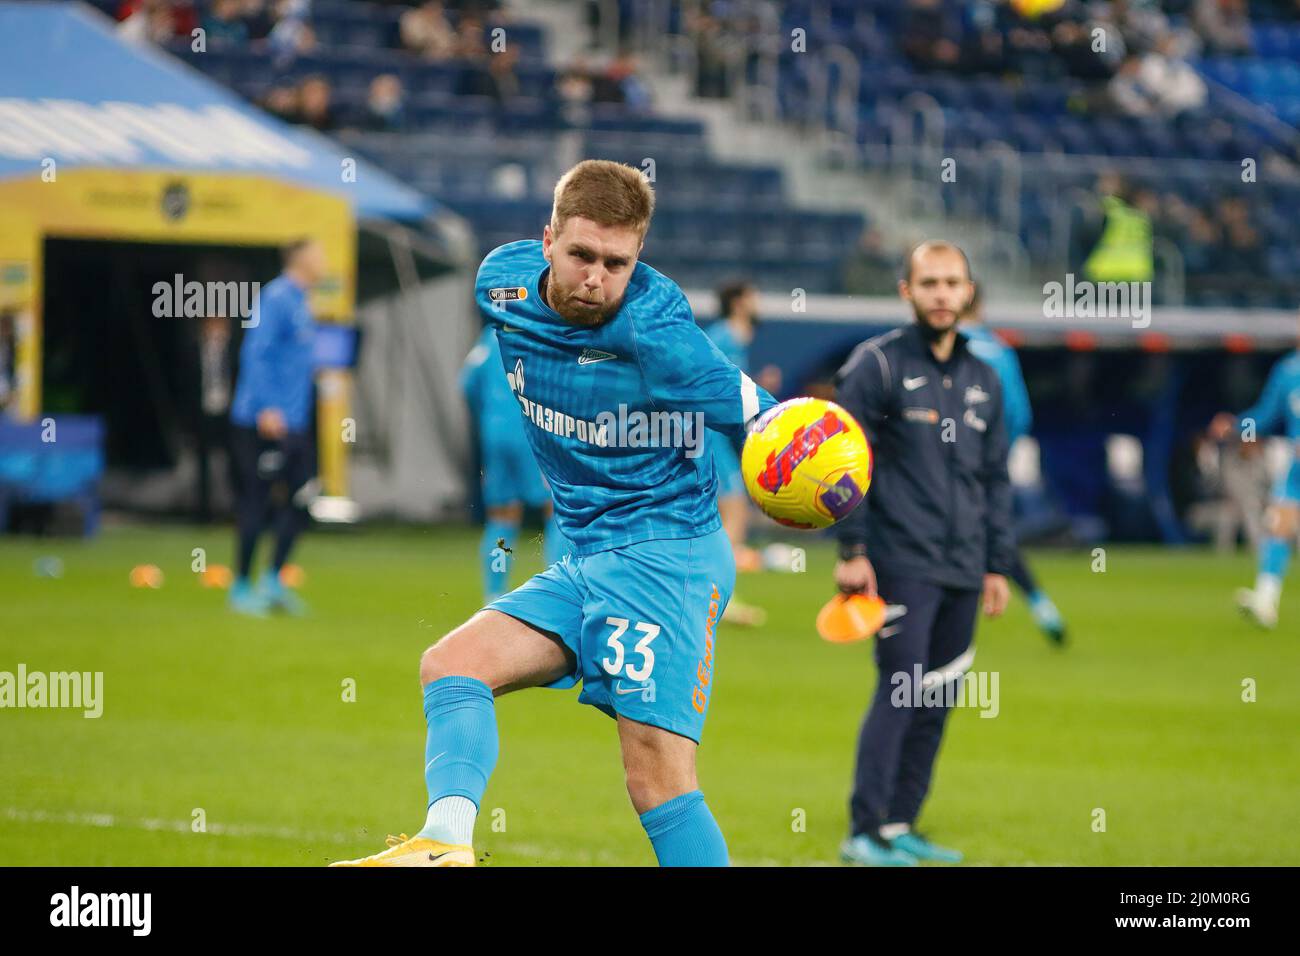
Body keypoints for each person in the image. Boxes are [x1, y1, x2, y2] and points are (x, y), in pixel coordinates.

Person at [332, 160, 775, 868]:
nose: (598, 277)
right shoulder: (500, 285)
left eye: (617, 262)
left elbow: (761, 414)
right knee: (453, 665)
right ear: (547, 240)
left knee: (657, 782)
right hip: (592, 555)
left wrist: (813, 447)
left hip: (667, 555)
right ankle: (446, 844)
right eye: (582, 256)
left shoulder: (658, 326)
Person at [833, 240, 1013, 867]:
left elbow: (994, 480)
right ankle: (863, 832)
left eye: (952, 283)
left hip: (964, 564)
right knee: (902, 688)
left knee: (936, 699)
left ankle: (901, 821)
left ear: (969, 293)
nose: (942, 294)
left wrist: (996, 563)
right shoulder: (875, 366)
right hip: (898, 561)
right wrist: (852, 547)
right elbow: (842, 459)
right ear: (907, 292)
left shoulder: (985, 378)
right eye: (929, 283)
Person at [959, 286, 1067, 644]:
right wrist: (999, 453)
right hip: (990, 462)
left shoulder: (945, 348)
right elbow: (1021, 413)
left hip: (943, 464)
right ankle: (1040, 604)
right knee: (990, 531)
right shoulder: (1000, 350)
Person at [227, 238, 324, 617]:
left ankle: (274, 579)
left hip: (294, 423)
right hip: (262, 422)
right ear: (302, 259)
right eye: (319, 253)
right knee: (258, 501)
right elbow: (255, 352)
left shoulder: (303, 301)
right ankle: (240, 587)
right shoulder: (277, 297)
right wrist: (267, 407)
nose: (325, 260)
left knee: (302, 498)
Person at [460, 326, 566, 602]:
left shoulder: (491, 333)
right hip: (533, 430)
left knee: (501, 515)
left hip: (494, 432)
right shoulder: (544, 330)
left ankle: (494, 595)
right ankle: (559, 596)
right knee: (558, 509)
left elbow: (467, 383)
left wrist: (488, 414)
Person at [1209, 320, 1300, 630]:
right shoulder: (1288, 370)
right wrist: (1236, 426)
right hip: (1298, 466)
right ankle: (1265, 599)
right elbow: (1266, 415)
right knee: (1278, 524)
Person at [704, 280, 781, 625]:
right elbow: (711, 380)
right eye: (752, 295)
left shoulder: (733, 336)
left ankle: (715, 593)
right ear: (737, 301)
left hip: (716, 436)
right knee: (735, 513)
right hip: (709, 435)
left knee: (728, 515)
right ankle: (721, 598)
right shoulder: (724, 335)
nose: (757, 301)